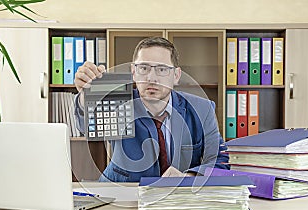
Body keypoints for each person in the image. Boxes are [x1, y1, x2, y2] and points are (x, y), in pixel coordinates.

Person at [74, 37, 229, 182]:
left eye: (162, 70)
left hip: (176, 198)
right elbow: (86, 127)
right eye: (144, 68)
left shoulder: (202, 109)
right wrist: (85, 95)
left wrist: (187, 177)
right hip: (121, 191)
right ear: (134, 72)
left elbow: (219, 161)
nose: (151, 78)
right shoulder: (119, 101)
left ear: (176, 75)